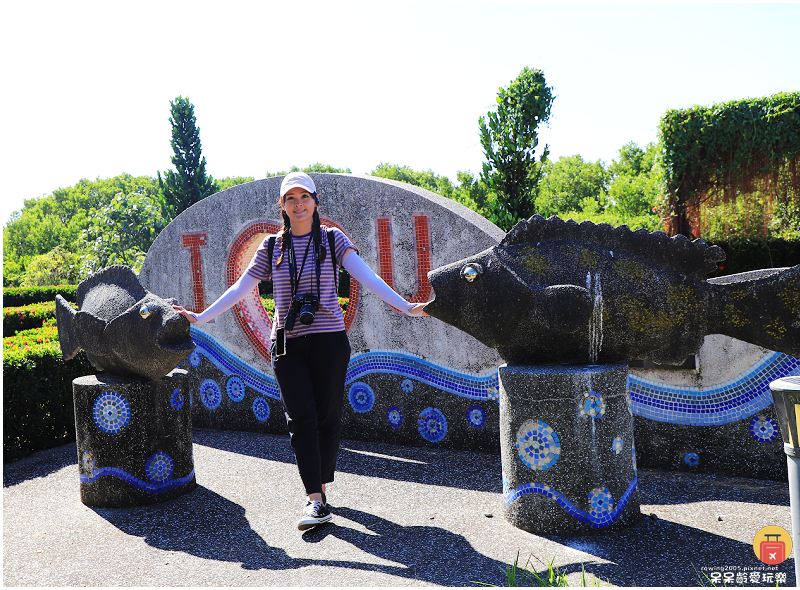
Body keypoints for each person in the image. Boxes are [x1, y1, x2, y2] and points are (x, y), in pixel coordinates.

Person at [173, 172, 425, 530]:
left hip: (329, 342)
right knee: (301, 419)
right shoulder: (272, 247)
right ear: (283, 206)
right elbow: (240, 288)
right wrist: (200, 316)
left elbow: (366, 276)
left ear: (315, 201)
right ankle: (315, 500)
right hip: (288, 344)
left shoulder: (333, 240)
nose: (298, 204)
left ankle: (320, 485)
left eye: (304, 197)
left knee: (328, 418)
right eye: (290, 199)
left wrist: (404, 305)